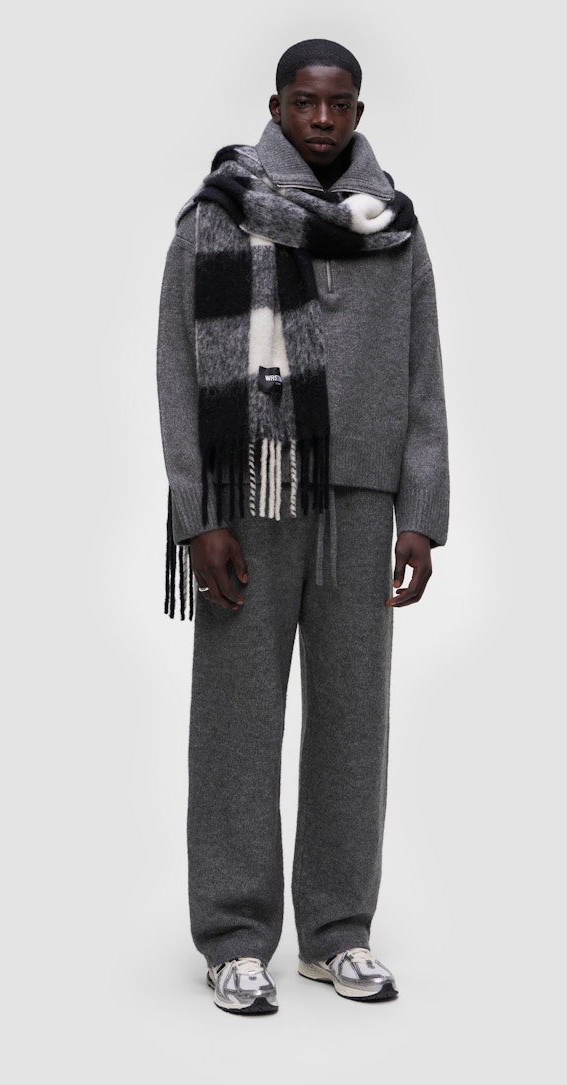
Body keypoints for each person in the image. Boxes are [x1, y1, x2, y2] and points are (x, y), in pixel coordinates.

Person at [155, 38, 449, 1015]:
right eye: (304, 101)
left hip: (362, 502)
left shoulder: (395, 228)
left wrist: (421, 512)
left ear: (358, 112)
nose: (322, 118)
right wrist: (199, 515)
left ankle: (337, 933)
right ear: (277, 105)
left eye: (339, 103)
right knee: (235, 722)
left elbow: (422, 375)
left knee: (354, 721)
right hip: (250, 496)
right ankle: (234, 937)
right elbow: (176, 372)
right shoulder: (218, 214)